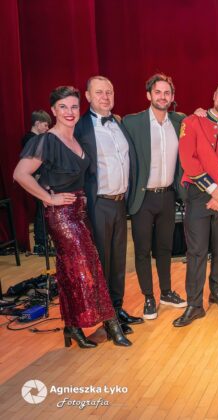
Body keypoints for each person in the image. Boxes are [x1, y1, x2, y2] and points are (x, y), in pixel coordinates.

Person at [13, 86, 131, 348]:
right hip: (61, 215)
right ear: (53, 111)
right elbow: (20, 174)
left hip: (80, 210)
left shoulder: (76, 138)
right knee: (91, 267)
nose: (69, 112)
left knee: (69, 272)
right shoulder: (46, 140)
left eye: (74, 107)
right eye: (63, 107)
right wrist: (49, 197)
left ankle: (72, 327)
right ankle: (111, 325)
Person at [174, 81, 218, 327]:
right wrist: (213, 190)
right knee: (196, 252)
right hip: (199, 194)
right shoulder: (191, 122)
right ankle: (195, 304)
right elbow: (188, 159)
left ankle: (216, 291)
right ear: (214, 96)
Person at [74, 76, 142, 334]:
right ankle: (106, 317)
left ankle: (117, 307)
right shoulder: (80, 128)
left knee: (118, 261)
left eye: (109, 92)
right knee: (102, 261)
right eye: (99, 92)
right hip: (98, 204)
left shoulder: (118, 123)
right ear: (88, 96)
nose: (105, 97)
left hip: (119, 202)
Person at [123, 73, 187, 320]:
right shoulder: (132, 122)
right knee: (142, 250)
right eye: (158, 92)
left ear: (172, 97)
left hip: (168, 197)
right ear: (148, 95)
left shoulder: (179, 121)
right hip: (143, 198)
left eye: (167, 93)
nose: (162, 97)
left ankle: (166, 292)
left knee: (165, 249)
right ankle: (148, 296)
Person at [21, 110, 52, 256]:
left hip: (39, 179)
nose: (47, 128)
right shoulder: (31, 139)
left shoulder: (34, 138)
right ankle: (41, 244)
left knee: (42, 211)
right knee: (41, 211)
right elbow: (32, 162)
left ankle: (42, 242)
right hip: (37, 180)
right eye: (45, 125)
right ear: (37, 123)